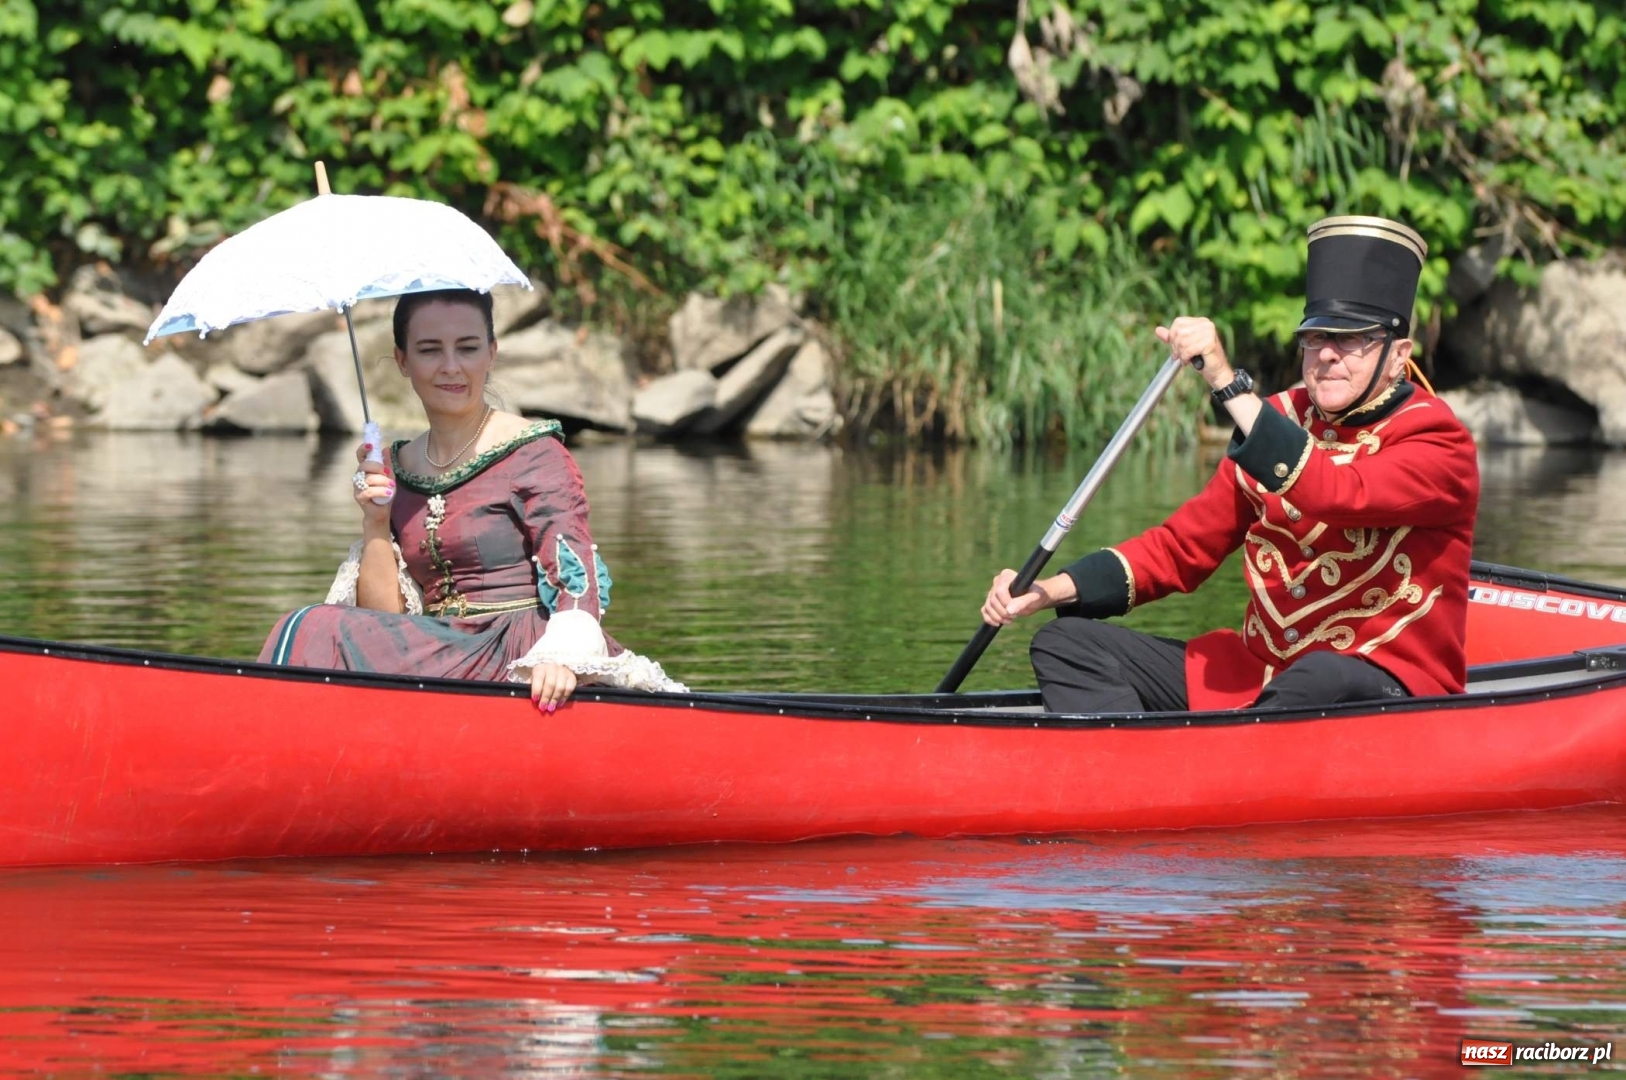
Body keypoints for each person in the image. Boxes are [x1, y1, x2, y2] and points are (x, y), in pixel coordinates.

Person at [981, 215, 1480, 713]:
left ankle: (1213, 768)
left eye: (1350, 340)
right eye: (1315, 337)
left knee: (1318, 677)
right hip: (1261, 673)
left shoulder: (1437, 440)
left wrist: (1224, 379)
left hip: (1384, 681)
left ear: (1398, 356)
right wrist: (1047, 592)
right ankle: (1134, 773)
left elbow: (1336, 493)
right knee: (1066, 643)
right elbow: (1180, 549)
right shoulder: (1279, 417)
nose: (1326, 355)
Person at [259, 288, 685, 709]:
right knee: (308, 626)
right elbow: (385, 623)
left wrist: (563, 658)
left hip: (520, 652)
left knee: (313, 626)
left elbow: (576, 569)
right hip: (440, 653)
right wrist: (375, 521)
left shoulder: (532, 451)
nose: (451, 367)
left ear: (492, 353)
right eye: (429, 350)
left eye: (467, 348)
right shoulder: (392, 467)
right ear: (403, 360)